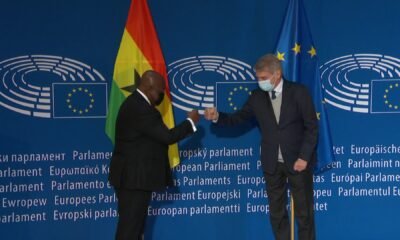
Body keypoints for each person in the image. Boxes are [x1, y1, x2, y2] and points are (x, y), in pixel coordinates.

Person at [204, 54, 318, 240]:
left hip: (299, 162)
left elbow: (312, 127)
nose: (260, 82)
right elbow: (238, 118)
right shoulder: (257, 97)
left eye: (264, 78)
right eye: (258, 78)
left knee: (304, 214)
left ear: (277, 74)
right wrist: (217, 116)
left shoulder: (299, 92)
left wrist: (304, 157)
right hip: (272, 163)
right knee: (276, 213)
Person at [109, 70, 200, 240]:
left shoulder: (136, 104)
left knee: (134, 229)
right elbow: (168, 137)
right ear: (150, 88)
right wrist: (191, 122)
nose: (161, 96)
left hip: (133, 179)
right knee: (129, 231)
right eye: (160, 91)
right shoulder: (141, 108)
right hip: (133, 180)